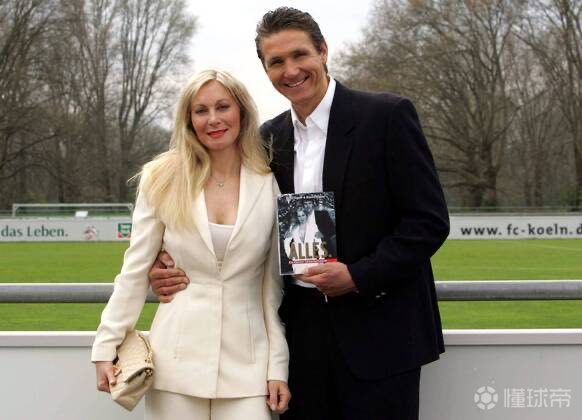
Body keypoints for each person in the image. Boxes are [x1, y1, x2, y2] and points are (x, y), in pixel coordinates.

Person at [149, 7, 449, 419]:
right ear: (266, 70)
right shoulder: (266, 140)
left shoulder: (386, 117)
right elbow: (235, 223)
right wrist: (164, 262)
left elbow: (428, 222)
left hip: (381, 335)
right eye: (277, 62)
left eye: (299, 55)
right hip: (301, 343)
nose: (290, 70)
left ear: (323, 51)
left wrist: (358, 275)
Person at [91, 69, 290, 420]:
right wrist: (105, 346)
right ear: (189, 120)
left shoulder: (268, 182)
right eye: (201, 110)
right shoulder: (162, 178)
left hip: (249, 367)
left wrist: (278, 366)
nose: (213, 119)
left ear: (241, 112)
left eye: (222, 107)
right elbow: (134, 271)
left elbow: (270, 288)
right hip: (175, 362)